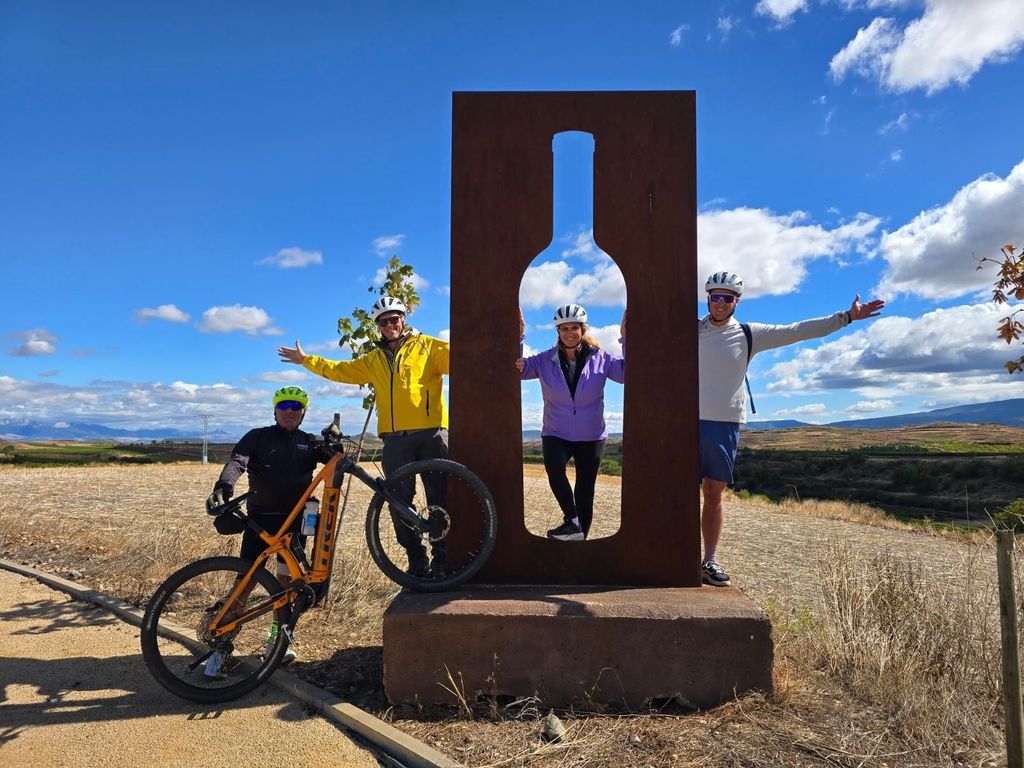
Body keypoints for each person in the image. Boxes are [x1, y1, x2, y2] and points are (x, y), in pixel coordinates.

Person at [698, 271, 885, 587]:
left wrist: (847, 317)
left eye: (727, 298)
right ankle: (673, 554)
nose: (720, 303)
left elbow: (797, 330)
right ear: (707, 298)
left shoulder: (748, 333)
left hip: (725, 422)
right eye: (715, 296)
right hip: (684, 419)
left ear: (736, 302)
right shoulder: (691, 330)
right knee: (676, 491)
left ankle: (710, 560)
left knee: (713, 492)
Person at [277, 296, 449, 577]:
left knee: (440, 498)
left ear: (403, 320)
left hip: (432, 432)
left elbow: (467, 354)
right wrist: (307, 361)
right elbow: (340, 370)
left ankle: (442, 559)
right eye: (384, 321)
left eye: (395, 319)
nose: (390, 324)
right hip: (395, 439)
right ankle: (417, 559)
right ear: (378, 326)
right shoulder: (373, 359)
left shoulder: (429, 346)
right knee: (398, 502)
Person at [205, 385, 320, 665]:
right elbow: (237, 462)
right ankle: (222, 644)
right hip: (261, 524)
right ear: (275, 410)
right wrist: (224, 486)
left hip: (294, 525)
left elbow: (338, 462)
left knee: (286, 585)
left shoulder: (310, 441)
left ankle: (277, 641)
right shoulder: (258, 437)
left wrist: (336, 444)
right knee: (245, 582)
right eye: (284, 406)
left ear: (303, 412)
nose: (289, 411)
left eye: (296, 407)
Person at [516, 304, 626, 541]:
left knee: (585, 491)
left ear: (583, 330)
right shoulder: (545, 360)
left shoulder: (601, 358)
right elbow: (518, 370)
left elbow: (627, 373)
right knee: (555, 470)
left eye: (574, 328)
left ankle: (580, 538)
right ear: (558, 331)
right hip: (556, 431)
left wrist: (625, 338)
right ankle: (572, 520)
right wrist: (519, 335)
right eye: (564, 328)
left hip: (592, 435)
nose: (569, 333)